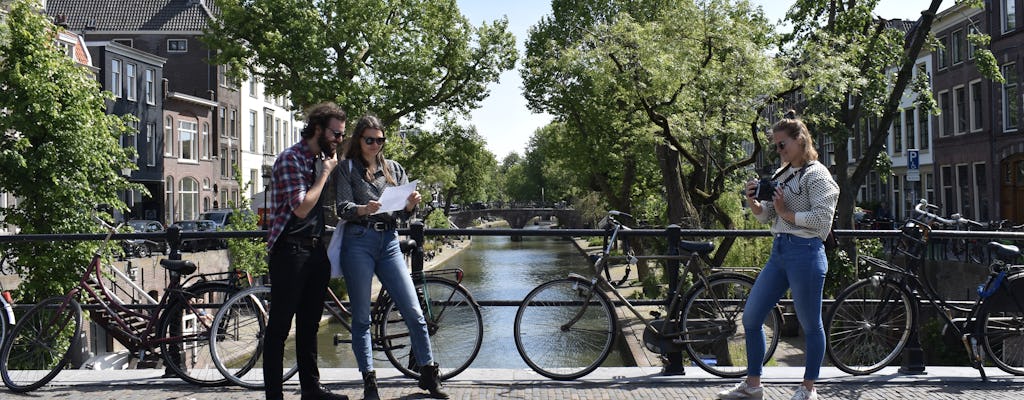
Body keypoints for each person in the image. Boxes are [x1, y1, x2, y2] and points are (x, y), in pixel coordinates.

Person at [720, 110, 839, 400]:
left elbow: (823, 220)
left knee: (811, 324)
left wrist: (786, 212)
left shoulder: (817, 174)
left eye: (782, 144)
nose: (779, 150)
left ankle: (808, 388)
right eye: (775, 145)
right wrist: (753, 202)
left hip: (806, 253)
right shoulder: (782, 173)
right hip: (780, 252)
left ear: (800, 140)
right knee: (751, 318)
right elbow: (768, 216)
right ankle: (753, 385)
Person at [335, 115, 448, 400]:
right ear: (359, 140)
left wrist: (410, 206)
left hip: (389, 241)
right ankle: (369, 382)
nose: (375, 145)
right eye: (369, 140)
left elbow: (404, 214)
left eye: (380, 140)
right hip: (358, 241)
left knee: (414, 312)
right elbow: (342, 207)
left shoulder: (394, 169)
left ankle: (428, 373)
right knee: (362, 318)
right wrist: (363, 209)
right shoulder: (347, 168)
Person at [264, 102, 349, 400]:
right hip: (290, 251)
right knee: (279, 327)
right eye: (336, 134)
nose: (339, 140)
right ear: (318, 129)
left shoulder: (318, 159)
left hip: (314, 251)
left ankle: (311, 389)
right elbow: (300, 208)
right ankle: (274, 395)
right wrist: (324, 174)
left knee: (310, 325)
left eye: (342, 135)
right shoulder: (291, 158)